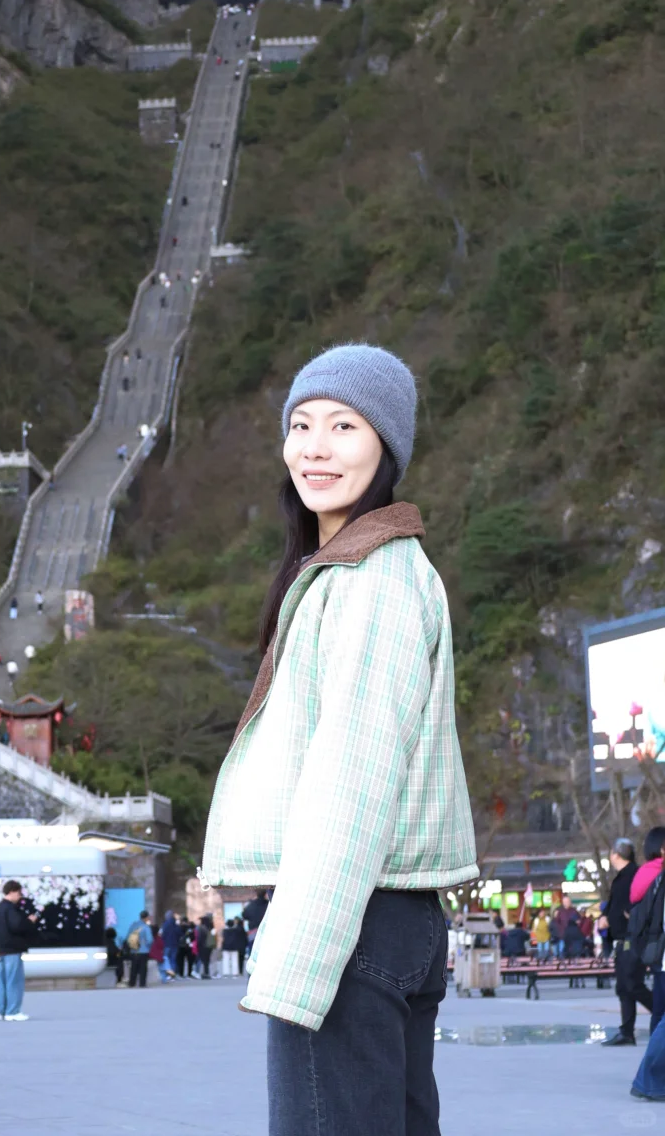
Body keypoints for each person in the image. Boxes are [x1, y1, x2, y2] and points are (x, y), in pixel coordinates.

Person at [202, 345, 476, 1136]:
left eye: (344, 426)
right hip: (385, 915)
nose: (314, 447)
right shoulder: (354, 573)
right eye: (301, 424)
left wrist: (301, 958)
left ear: (386, 446)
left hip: (350, 917)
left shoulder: (371, 582)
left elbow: (351, 780)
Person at [606, 827, 665, 1046]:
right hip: (628, 937)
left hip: (638, 938)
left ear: (616, 854)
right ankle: (627, 1030)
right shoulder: (626, 877)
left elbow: (639, 904)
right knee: (624, 986)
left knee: (632, 984)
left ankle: (657, 1020)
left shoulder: (640, 874)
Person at [0, 881, 37, 1021]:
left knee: (2, 982)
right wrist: (29, 921)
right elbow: (17, 926)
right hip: (12, 949)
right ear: (12, 892)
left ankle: (0, 1011)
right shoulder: (11, 909)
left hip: (0, 950)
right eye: (19, 893)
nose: (20, 896)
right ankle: (13, 1011)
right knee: (14, 981)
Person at [601, 839, 638, 959]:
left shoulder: (634, 874)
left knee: (629, 976)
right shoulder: (620, 877)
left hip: (629, 938)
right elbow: (613, 901)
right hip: (620, 938)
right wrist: (605, 915)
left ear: (616, 855)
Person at [126, 910, 153, 987]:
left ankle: (132, 983)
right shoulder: (146, 927)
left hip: (133, 950)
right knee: (143, 968)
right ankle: (142, 983)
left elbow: (128, 937)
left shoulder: (133, 925)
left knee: (133, 967)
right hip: (143, 951)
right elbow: (150, 940)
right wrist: (147, 947)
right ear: (146, 917)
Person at [160, 910, 180, 981]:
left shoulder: (165, 924)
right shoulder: (176, 925)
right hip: (175, 944)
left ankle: (167, 974)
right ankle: (172, 975)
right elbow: (180, 934)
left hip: (167, 944)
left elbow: (162, 934)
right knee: (173, 960)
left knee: (166, 960)